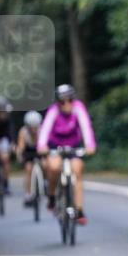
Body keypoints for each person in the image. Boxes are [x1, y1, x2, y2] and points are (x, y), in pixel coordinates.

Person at [37, 84, 97, 225]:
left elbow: (85, 126)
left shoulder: (78, 107)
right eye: (62, 101)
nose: (66, 104)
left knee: (77, 169)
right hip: (55, 145)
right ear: (57, 102)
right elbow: (45, 129)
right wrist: (42, 146)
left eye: (69, 100)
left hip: (73, 145)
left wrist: (90, 145)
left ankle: (80, 210)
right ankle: (52, 196)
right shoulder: (53, 111)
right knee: (53, 167)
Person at [16, 110, 43, 206]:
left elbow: (46, 145)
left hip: (40, 150)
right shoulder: (23, 132)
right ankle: (28, 193)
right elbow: (20, 147)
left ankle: (46, 183)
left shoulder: (42, 130)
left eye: (35, 126)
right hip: (28, 152)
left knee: (46, 164)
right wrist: (19, 155)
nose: (33, 129)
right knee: (28, 168)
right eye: (31, 127)